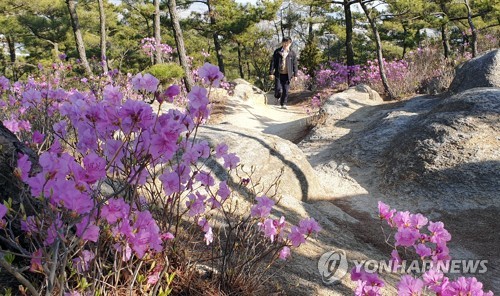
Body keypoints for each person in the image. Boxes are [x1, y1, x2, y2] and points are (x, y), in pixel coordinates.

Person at [269, 37, 298, 109]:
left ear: (290, 43)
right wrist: (271, 73)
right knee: (278, 89)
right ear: (282, 43)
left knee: (285, 90)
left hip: (287, 75)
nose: (286, 44)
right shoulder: (277, 52)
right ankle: (277, 96)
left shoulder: (292, 53)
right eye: (284, 42)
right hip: (278, 74)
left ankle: (283, 104)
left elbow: (295, 65)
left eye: (287, 43)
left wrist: (295, 75)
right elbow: (272, 63)